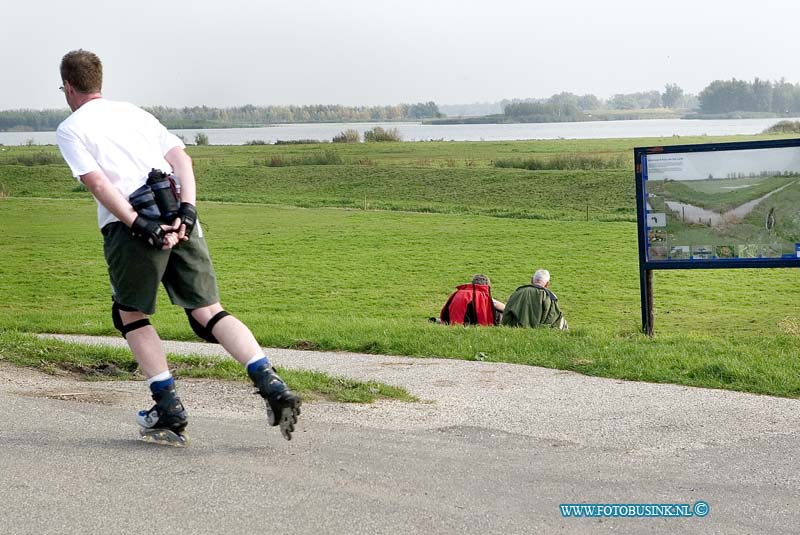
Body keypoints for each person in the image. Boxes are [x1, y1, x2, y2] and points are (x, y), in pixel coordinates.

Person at [55, 50, 300, 443]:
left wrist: (141, 224)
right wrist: (186, 211)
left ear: (68, 87)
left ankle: (168, 408)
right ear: (100, 81)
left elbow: (99, 184)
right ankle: (273, 387)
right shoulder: (136, 113)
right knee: (208, 310)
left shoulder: (71, 128)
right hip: (176, 209)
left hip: (133, 224)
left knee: (129, 314)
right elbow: (181, 159)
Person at [501, 269, 567, 330]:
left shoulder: (517, 293)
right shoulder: (551, 297)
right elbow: (553, 320)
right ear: (547, 284)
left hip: (515, 330)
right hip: (540, 333)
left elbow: (506, 315)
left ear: (532, 280)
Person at [437, 274, 505, 326]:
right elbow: (502, 307)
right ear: (486, 285)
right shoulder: (481, 295)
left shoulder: (458, 292)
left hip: (452, 321)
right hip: (470, 322)